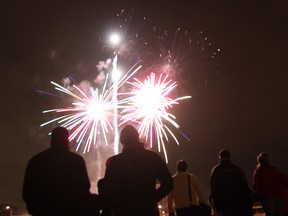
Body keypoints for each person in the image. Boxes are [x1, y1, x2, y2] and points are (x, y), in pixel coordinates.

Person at [98, 124, 173, 216]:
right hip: (148, 211)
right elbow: (169, 183)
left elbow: (109, 192)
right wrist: (152, 198)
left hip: (124, 211)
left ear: (122, 141)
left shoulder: (116, 161)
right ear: (137, 137)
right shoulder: (152, 157)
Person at [22, 127, 99, 216]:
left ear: (51, 140)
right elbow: (84, 188)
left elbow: (27, 193)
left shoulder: (36, 161)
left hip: (42, 210)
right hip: (71, 209)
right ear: (67, 140)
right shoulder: (76, 160)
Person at [210, 149, 252, 216]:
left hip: (224, 201)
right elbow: (245, 185)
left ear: (220, 157)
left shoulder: (217, 170)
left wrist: (216, 202)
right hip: (238, 201)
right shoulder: (237, 169)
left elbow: (213, 186)